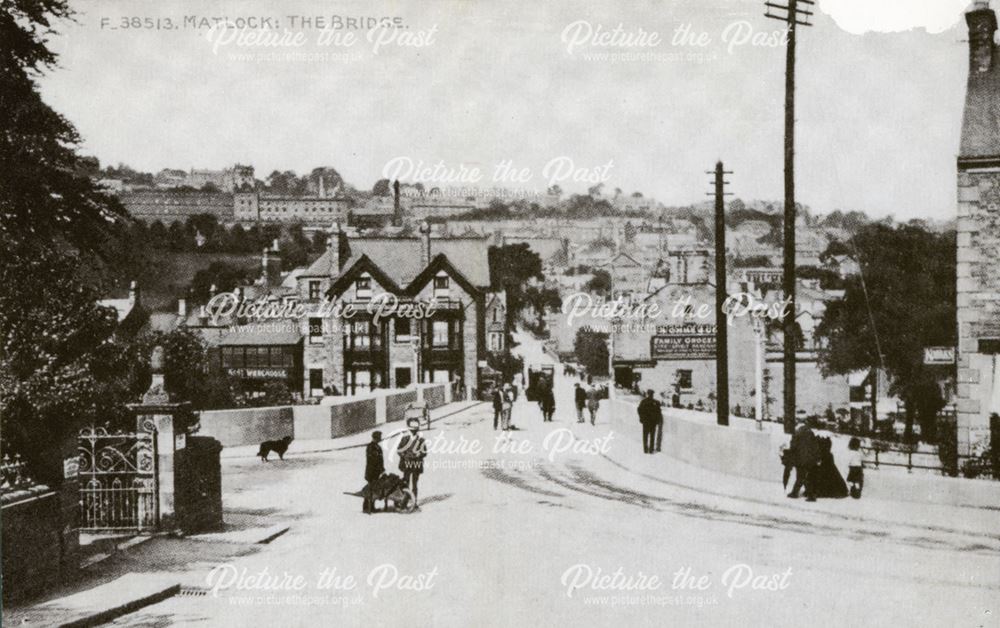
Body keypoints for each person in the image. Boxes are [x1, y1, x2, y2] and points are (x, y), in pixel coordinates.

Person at [398, 418, 427, 508]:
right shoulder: (404, 439)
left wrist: (420, 454)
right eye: (412, 430)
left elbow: (425, 452)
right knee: (405, 483)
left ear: (417, 430)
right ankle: (404, 502)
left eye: (415, 430)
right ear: (409, 430)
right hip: (406, 464)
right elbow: (399, 450)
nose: (413, 432)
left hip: (416, 465)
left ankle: (414, 503)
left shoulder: (421, 440)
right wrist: (404, 455)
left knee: (415, 484)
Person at [787, 423, 821, 501]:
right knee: (804, 476)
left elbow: (793, 447)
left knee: (801, 476)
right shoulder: (811, 433)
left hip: (800, 459)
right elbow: (815, 446)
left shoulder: (797, 433)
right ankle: (797, 492)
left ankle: (808, 495)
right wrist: (817, 458)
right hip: (810, 459)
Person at [363, 431, 385, 514]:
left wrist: (382, 469)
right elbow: (372, 460)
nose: (380, 439)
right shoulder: (370, 447)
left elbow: (380, 460)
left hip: (376, 472)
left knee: (374, 489)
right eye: (379, 437)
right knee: (370, 490)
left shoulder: (378, 447)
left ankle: (372, 507)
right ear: (375, 438)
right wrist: (379, 468)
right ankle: (366, 508)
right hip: (371, 472)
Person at [637, 389, 662, 454]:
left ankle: (646, 449)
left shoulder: (644, 401)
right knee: (652, 436)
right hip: (652, 422)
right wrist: (657, 420)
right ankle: (651, 450)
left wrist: (641, 418)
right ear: (652, 394)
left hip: (646, 422)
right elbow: (658, 412)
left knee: (645, 436)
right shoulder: (656, 402)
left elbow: (639, 410)